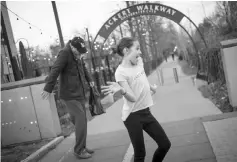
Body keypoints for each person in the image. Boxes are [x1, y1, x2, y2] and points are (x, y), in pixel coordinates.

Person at [101, 37, 171, 162]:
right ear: (126, 50)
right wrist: (121, 90)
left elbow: (142, 78)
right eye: (137, 49)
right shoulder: (120, 72)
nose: (140, 52)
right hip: (132, 116)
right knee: (140, 154)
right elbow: (132, 98)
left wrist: (151, 88)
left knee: (165, 144)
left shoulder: (139, 62)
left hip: (146, 112)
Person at [41, 36, 95, 159]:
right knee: (81, 119)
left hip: (79, 92)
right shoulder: (64, 53)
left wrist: (90, 80)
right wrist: (48, 87)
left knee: (82, 121)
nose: (80, 54)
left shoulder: (77, 54)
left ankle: (83, 146)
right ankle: (79, 150)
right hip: (69, 94)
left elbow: (83, 68)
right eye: (78, 51)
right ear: (72, 46)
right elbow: (55, 69)